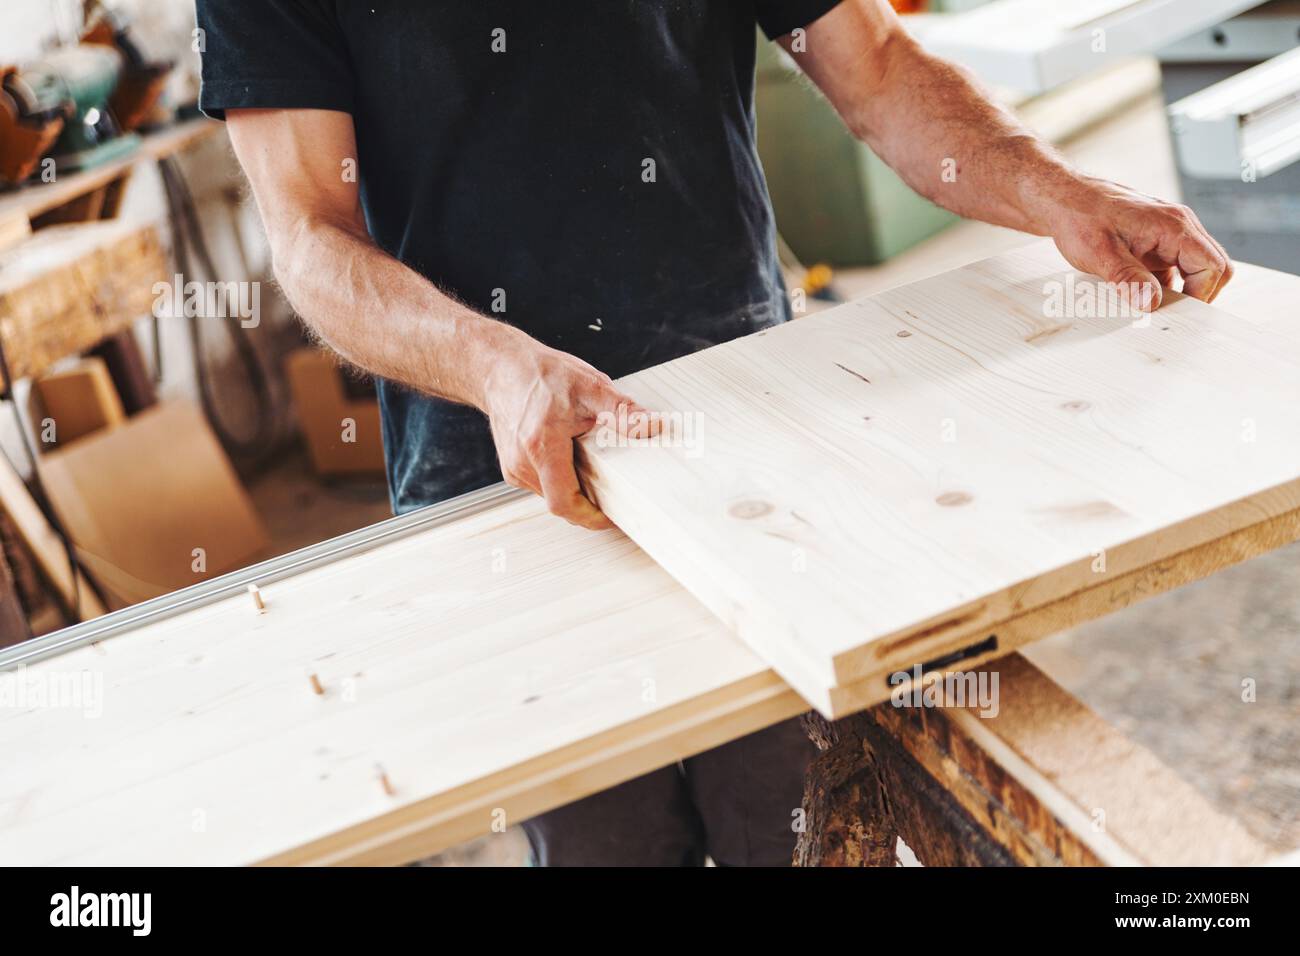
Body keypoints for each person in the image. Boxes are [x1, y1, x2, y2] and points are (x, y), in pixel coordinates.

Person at [194, 0, 1233, 866]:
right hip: (505, 469)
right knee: (612, 840)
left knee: (799, 820)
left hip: (745, 431)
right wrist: (495, 365)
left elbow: (869, 64)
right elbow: (309, 236)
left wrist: (1062, 193)